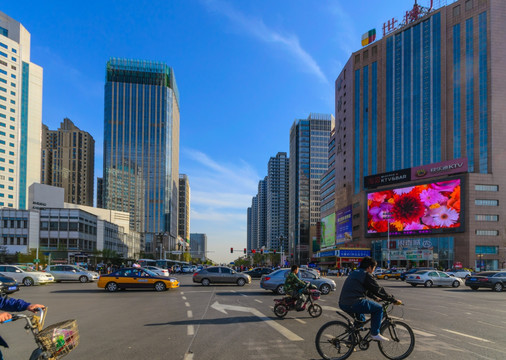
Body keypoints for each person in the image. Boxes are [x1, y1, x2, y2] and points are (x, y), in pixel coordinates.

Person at [338, 256, 402, 342]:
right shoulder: (366, 275)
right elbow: (378, 290)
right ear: (369, 267)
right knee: (378, 309)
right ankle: (374, 333)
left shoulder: (355, 272)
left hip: (343, 302)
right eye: (374, 268)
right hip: (354, 302)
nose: (373, 271)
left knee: (361, 320)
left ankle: (351, 341)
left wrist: (375, 298)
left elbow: (366, 290)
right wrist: (393, 300)